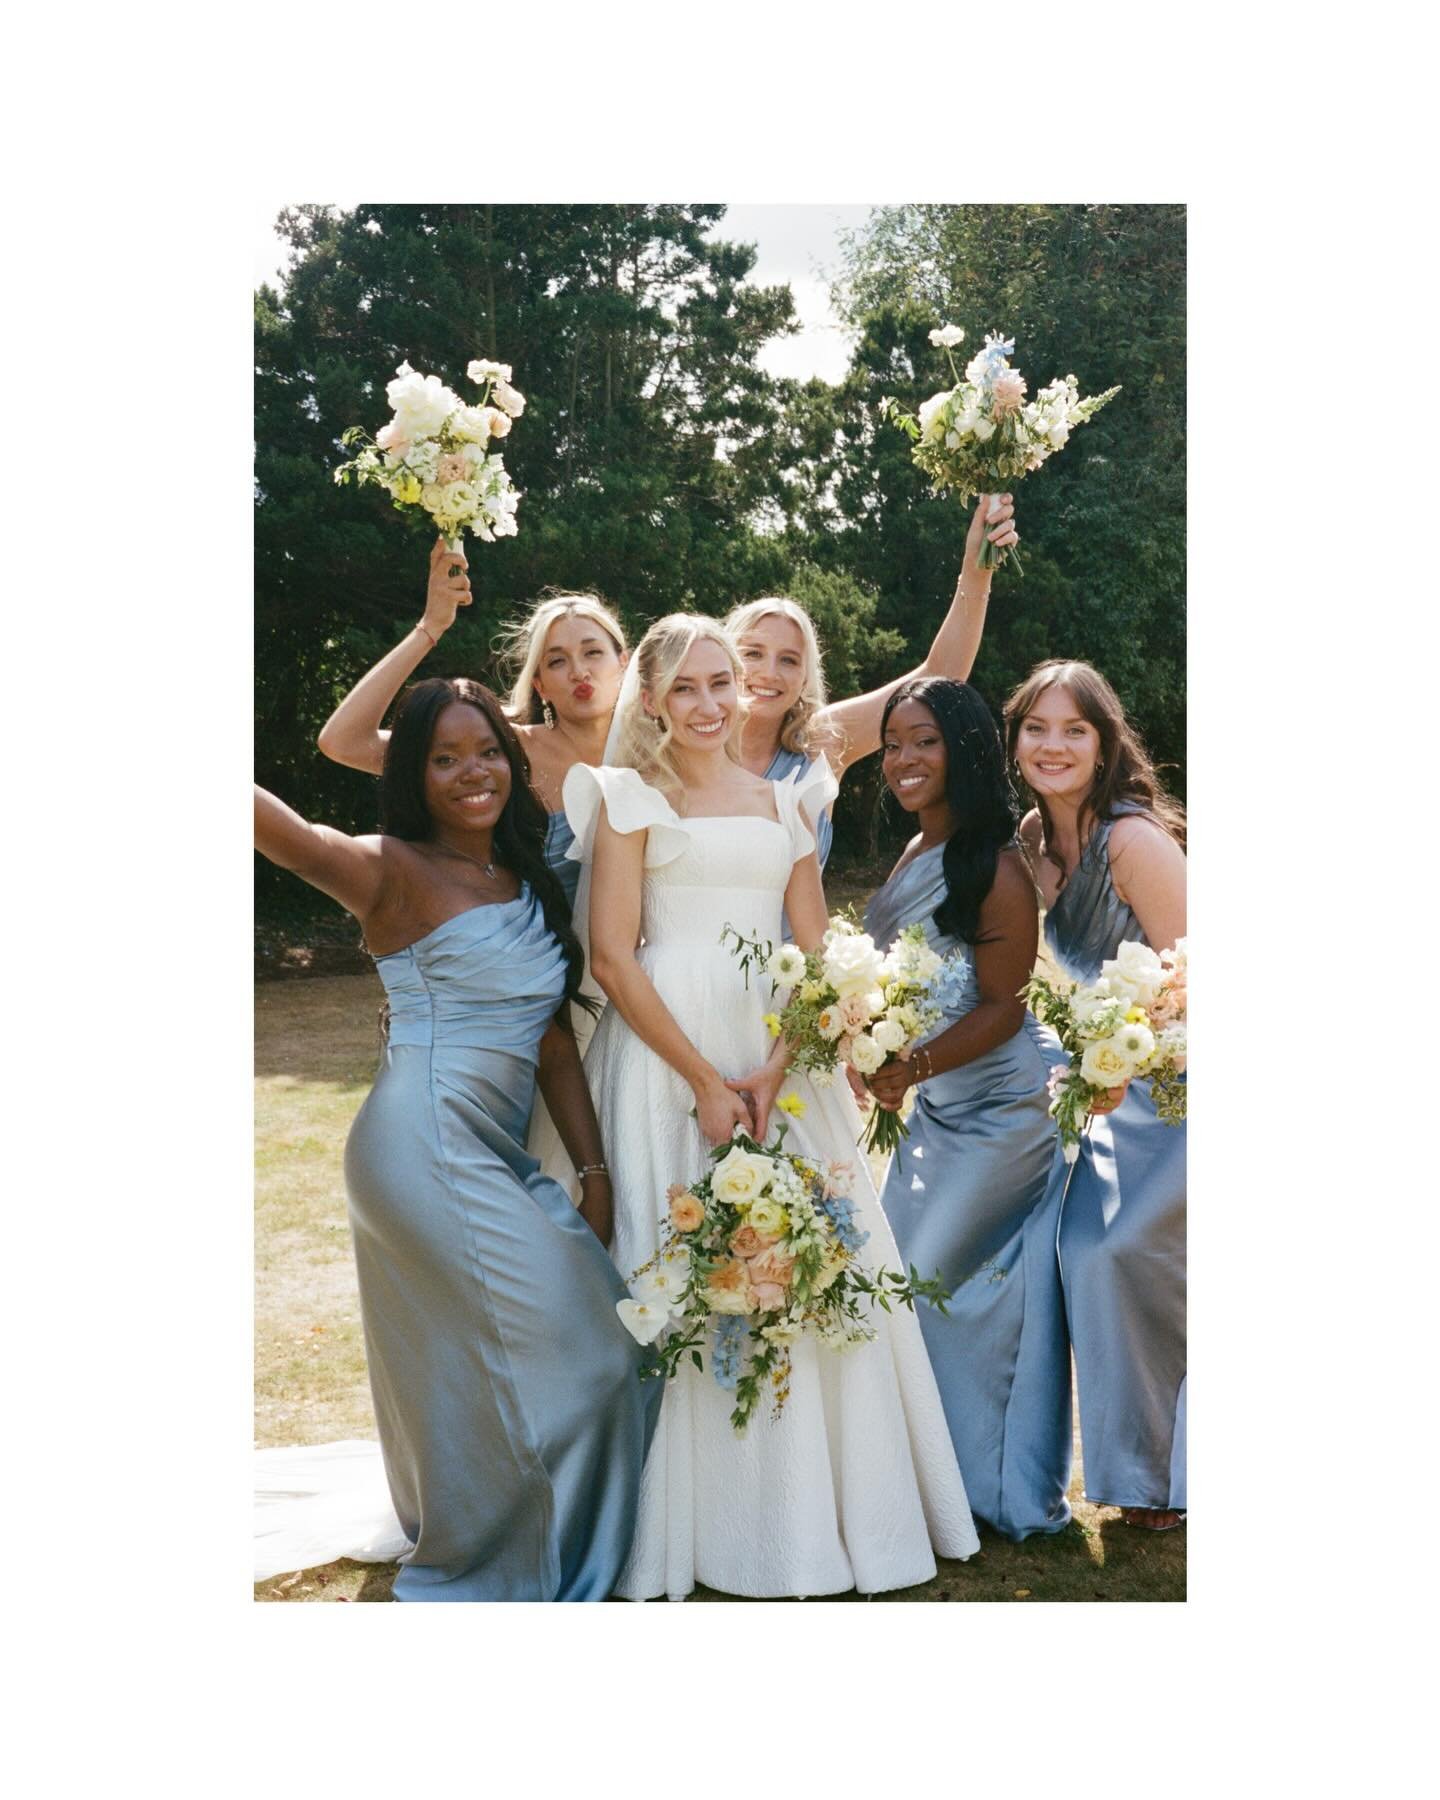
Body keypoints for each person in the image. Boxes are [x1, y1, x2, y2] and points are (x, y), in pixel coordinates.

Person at [565, 615, 980, 1600]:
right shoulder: (626, 799)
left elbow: (806, 947)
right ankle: (681, 1527)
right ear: (654, 700)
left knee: (806, 1254)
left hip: (772, 1054)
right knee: (676, 1255)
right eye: (688, 688)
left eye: (724, 682)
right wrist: (706, 1082)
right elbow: (613, 958)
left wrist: (773, 1069)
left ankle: (801, 1522)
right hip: (665, 1054)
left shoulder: (789, 800)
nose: (712, 703)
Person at [254, 676, 658, 1598]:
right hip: (421, 1146)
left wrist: (593, 1173)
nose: (472, 772)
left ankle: (509, 1521)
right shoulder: (387, 866)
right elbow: (286, 833)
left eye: (485, 753)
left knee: (589, 1336)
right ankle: (506, 1560)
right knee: (590, 1355)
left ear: (514, 765)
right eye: (444, 758)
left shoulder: (523, 879)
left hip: (497, 1149)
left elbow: (554, 1045)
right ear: (414, 774)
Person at [862, 678, 1073, 1540]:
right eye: (893, 743)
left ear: (965, 749)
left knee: (922, 1280)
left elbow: (1005, 1005)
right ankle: (933, 1479)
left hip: (1002, 1117)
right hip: (936, 1115)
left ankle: (980, 1489)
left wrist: (908, 1064)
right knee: (915, 1289)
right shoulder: (918, 848)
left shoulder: (994, 862)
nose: (904, 760)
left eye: (925, 742)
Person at [1004, 659, 1187, 1531]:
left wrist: (1129, 1063)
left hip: (1177, 1091)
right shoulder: (1033, 842)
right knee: (1082, 1257)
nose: (1054, 745)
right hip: (1101, 1094)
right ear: (1015, 742)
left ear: (1104, 743)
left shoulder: (1132, 840)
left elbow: (1199, 971)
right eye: (1037, 728)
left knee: (1124, 1256)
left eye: (1074, 729)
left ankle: (1166, 1478)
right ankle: (1133, 1475)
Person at [316, 538, 631, 910]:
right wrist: (430, 627)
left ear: (624, 663)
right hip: (537, 961)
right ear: (539, 685)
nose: (579, 671)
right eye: (557, 661)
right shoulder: (504, 750)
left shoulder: (659, 753)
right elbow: (343, 742)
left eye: (593, 652)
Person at [724, 492, 1021, 870]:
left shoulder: (820, 744)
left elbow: (941, 676)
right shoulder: (684, 748)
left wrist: (977, 568)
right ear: (725, 660)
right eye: (752, 653)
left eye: (789, 660)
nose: (769, 672)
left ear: (804, 679)